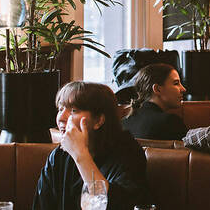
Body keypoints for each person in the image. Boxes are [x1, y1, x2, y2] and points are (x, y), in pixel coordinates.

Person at [33, 82, 150, 210]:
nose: (61, 117)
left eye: (73, 110)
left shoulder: (128, 153)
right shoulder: (59, 156)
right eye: (60, 109)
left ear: (99, 120)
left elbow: (115, 205)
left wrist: (81, 156)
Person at [122, 63, 188, 140]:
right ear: (157, 89)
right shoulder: (170, 122)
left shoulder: (124, 123)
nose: (183, 89)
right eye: (176, 83)